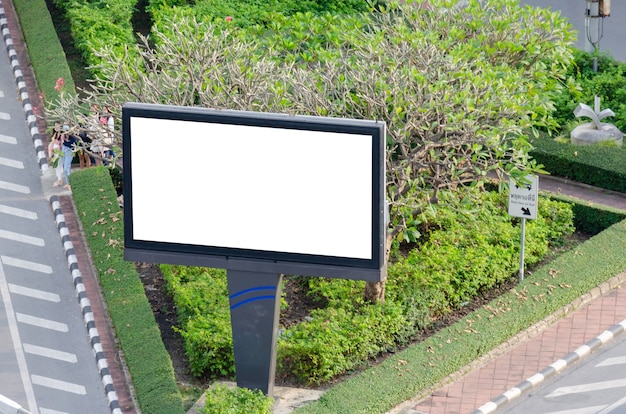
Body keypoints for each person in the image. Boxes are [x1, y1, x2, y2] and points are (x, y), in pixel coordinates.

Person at [61, 124, 78, 190]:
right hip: (64, 149)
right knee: (66, 167)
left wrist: (67, 142)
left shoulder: (72, 137)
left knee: (66, 168)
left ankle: (69, 183)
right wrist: (67, 142)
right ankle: (68, 182)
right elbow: (64, 143)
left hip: (69, 151)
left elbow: (73, 145)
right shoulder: (64, 136)